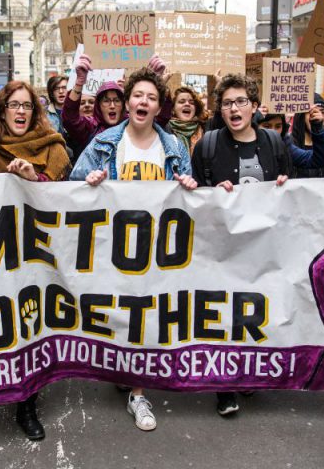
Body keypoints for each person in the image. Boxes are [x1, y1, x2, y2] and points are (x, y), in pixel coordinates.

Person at [71, 67, 195, 432]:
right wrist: (89, 181)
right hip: (114, 245)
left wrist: (189, 185)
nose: (144, 102)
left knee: (144, 313)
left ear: (159, 108)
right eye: (138, 95)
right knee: (120, 313)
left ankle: (138, 393)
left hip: (156, 248)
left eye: (152, 98)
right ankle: (123, 367)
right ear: (127, 103)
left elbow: (189, 196)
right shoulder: (105, 143)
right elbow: (73, 187)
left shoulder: (173, 147)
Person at [0, 80, 70, 440]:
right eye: (14, 105)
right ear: (2, 111)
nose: (21, 111)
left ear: (36, 113)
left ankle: (27, 402)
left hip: (36, 255)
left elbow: (62, 202)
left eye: (27, 106)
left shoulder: (53, 150)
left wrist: (32, 180)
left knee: (31, 324)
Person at [190, 74, 292, 416]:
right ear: (221, 109)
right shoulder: (208, 145)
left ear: (254, 106)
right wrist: (208, 192)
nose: (234, 109)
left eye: (241, 102)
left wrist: (282, 186)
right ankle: (225, 387)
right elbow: (198, 200)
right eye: (228, 103)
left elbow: (293, 191)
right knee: (225, 315)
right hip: (223, 248)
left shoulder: (275, 143)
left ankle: (249, 371)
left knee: (255, 313)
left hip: (263, 248)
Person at [62, 54, 173, 160]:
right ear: (99, 106)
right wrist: (79, 82)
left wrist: (156, 84)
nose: (112, 106)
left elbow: (161, 117)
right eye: (106, 101)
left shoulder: (135, 123)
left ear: (125, 104)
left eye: (116, 100)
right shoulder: (90, 126)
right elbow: (69, 119)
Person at [168, 86, 206, 154]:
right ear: (173, 109)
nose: (187, 104)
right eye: (181, 102)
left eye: (191, 103)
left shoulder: (205, 128)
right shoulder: (166, 129)